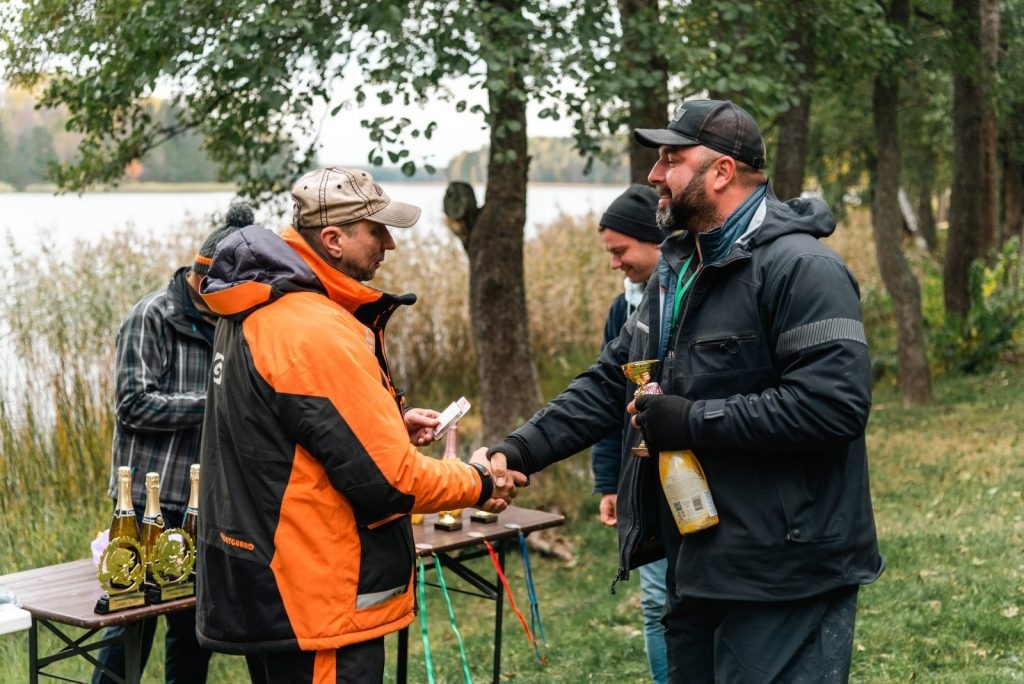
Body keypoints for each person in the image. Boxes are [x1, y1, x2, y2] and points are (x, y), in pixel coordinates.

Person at [487, 99, 884, 683]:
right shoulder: (677, 272)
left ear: (721, 172)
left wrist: (693, 420)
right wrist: (518, 450)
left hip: (785, 569)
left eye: (671, 159)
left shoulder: (803, 269)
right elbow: (610, 383)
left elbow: (833, 406)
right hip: (697, 559)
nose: (654, 175)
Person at [194, 166, 522, 684]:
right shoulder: (312, 326)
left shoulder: (255, 306)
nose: (390, 244)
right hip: (318, 597)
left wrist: (386, 420)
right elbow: (391, 479)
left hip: (274, 580)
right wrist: (481, 481)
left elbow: (285, 432)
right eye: (377, 230)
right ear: (333, 239)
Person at [92, 201, 255, 684]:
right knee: (128, 634)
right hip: (145, 508)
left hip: (204, 506)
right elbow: (132, 405)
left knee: (192, 637)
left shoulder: (230, 320)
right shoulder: (151, 317)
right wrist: (216, 402)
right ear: (203, 278)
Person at [590, 184, 669, 684]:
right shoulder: (623, 311)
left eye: (621, 251)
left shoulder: (690, 301)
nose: (614, 264)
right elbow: (606, 401)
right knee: (656, 601)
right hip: (643, 477)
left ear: (656, 241)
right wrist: (609, 480)